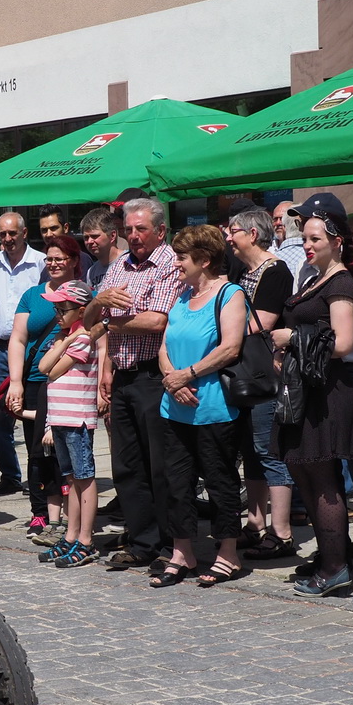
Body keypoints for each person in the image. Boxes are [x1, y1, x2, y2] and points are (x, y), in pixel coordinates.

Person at [271, 195, 353, 597]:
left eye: (315, 238)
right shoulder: (313, 277)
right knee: (304, 474)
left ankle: (335, 566)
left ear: (336, 241)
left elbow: (344, 341)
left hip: (329, 392)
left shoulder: (342, 280)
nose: (307, 245)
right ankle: (330, 557)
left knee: (324, 479)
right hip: (306, 390)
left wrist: (293, 338)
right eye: (305, 238)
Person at [89, 198, 183, 570]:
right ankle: (142, 541)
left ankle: (171, 543)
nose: (133, 236)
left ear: (160, 231)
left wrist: (109, 321)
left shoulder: (168, 264)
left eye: (140, 229)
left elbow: (157, 320)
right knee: (127, 466)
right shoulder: (118, 267)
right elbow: (88, 317)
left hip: (153, 376)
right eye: (128, 230)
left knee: (160, 465)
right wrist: (100, 301)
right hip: (123, 375)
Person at [152, 226, 248, 588]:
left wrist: (188, 374)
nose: (175, 262)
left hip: (212, 406)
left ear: (204, 260)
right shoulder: (181, 297)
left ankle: (227, 553)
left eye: (181, 257)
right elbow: (164, 346)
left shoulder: (229, 294)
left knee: (220, 480)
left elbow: (230, 348)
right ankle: (182, 552)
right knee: (177, 483)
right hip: (174, 406)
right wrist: (171, 379)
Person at [225, 206, 297, 558]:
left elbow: (262, 323)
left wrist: (221, 330)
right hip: (242, 374)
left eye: (233, 230)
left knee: (269, 450)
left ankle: (281, 532)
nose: (228, 237)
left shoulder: (276, 270)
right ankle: (255, 524)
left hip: (265, 374)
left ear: (252, 234)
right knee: (250, 452)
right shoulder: (241, 270)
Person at [6, 239, 83, 542]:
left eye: (59, 258)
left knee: (64, 451)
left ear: (74, 260)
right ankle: (40, 512)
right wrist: (15, 382)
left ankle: (67, 515)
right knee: (36, 449)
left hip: (68, 380)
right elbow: (18, 339)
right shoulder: (32, 295)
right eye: (49, 259)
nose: (52, 264)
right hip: (35, 380)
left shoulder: (82, 294)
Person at [35, 280, 107, 565]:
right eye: (55, 307)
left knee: (84, 478)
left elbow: (48, 371)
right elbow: (46, 371)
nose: (57, 313)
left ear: (80, 310)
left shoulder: (82, 338)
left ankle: (86, 540)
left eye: (63, 308)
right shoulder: (66, 337)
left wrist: (63, 343)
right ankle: (71, 536)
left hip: (77, 419)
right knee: (70, 479)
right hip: (61, 418)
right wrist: (50, 423)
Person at [0, 212, 45, 497]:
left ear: (23, 233)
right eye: (3, 234)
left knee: (33, 414)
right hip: (0, 349)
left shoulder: (41, 262)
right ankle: (10, 476)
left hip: (31, 349)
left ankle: (40, 475)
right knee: (1, 415)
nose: (7, 239)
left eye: (12, 233)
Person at [80, 208, 124, 289]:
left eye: (95, 236)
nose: (89, 241)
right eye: (86, 237)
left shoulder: (129, 262)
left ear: (112, 235)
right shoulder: (91, 272)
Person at [271, 200, 306, 278]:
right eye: (275, 219)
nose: (278, 223)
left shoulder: (308, 248)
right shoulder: (269, 249)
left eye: (282, 219)